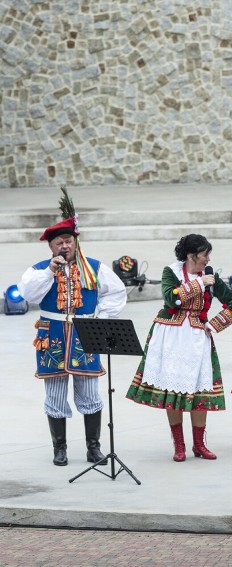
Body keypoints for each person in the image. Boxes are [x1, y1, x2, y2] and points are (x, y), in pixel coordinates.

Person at [17, 188, 127, 466]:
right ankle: (60, 449)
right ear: (51, 247)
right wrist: (50, 272)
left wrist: (99, 317)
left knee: (90, 391)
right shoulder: (40, 269)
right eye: (58, 243)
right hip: (52, 334)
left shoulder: (94, 267)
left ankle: (93, 447)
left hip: (84, 333)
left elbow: (116, 292)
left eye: (68, 241)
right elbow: (28, 294)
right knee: (54, 392)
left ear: (76, 243)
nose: (64, 246)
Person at [126, 234, 232, 461]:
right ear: (191, 256)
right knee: (173, 388)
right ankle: (179, 445)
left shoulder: (212, 276)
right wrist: (200, 283)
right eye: (204, 255)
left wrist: (214, 325)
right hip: (170, 335)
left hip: (197, 337)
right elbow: (172, 300)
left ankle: (199, 445)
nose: (208, 259)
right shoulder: (170, 272)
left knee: (199, 388)